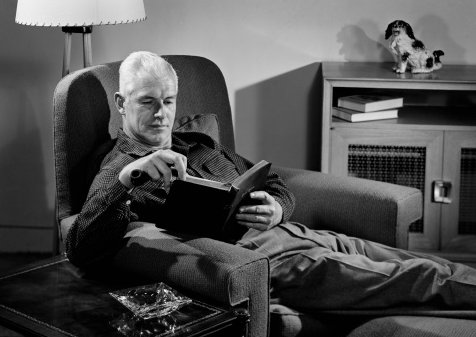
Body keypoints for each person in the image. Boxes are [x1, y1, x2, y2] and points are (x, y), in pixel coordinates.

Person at [66, 51, 476, 311]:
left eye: (168, 102)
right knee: (420, 277)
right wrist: (125, 178)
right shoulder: (120, 166)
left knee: (409, 260)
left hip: (298, 234)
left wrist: (277, 207)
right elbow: (81, 246)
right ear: (121, 104)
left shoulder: (199, 142)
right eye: (147, 102)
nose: (161, 114)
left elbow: (275, 181)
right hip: (263, 260)